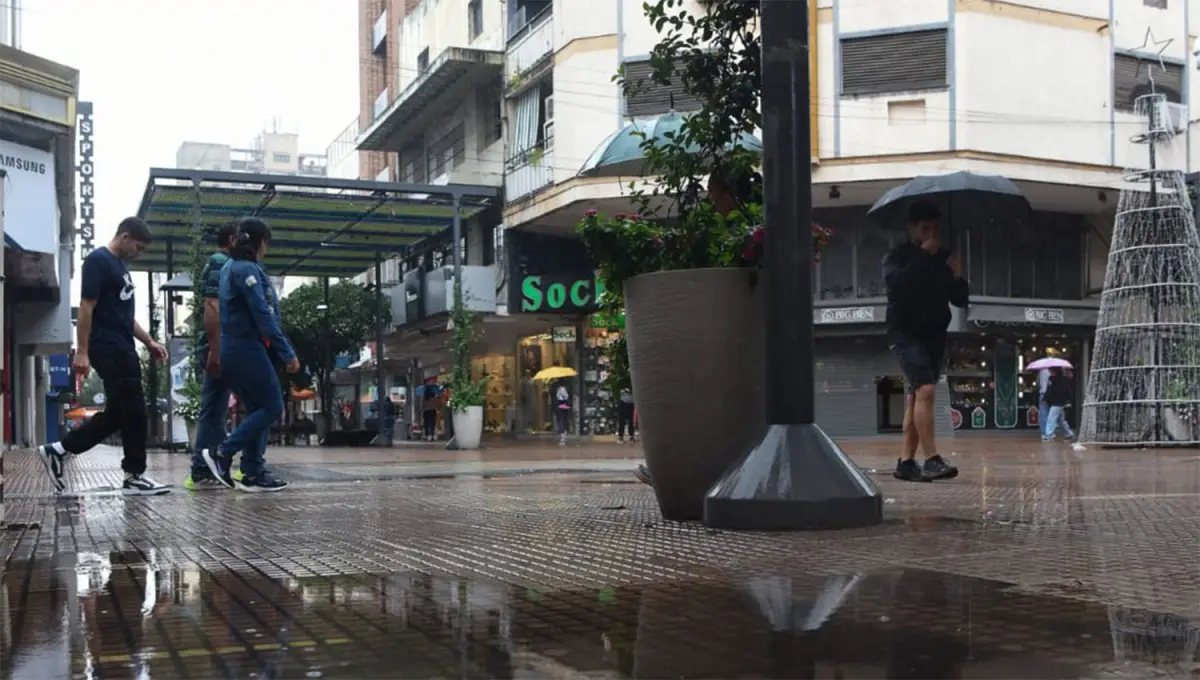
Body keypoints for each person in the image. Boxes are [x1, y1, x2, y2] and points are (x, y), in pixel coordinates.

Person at [635, 168, 758, 486]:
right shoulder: (732, 229)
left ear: (729, 193)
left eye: (715, 194)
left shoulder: (740, 232)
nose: (711, 201)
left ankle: (683, 469)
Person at [37, 218, 170, 495]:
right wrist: (82, 351)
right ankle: (131, 474)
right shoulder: (98, 261)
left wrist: (150, 342)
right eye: (138, 247)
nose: (139, 253)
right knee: (132, 411)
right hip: (107, 347)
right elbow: (86, 307)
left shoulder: (122, 268)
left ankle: (62, 450)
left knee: (125, 412)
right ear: (124, 236)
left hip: (123, 346)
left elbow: (126, 317)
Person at [200, 218, 299, 492]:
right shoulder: (245, 270)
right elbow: (264, 317)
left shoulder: (234, 267)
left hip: (239, 348)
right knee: (272, 406)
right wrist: (288, 354)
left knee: (259, 408)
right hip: (245, 348)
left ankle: (253, 471)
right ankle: (222, 453)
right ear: (260, 242)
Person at [883, 200, 968, 483]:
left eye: (936, 229)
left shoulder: (943, 258)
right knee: (926, 389)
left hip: (934, 335)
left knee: (917, 397)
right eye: (925, 228)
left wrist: (957, 276)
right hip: (905, 333)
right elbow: (897, 285)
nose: (932, 234)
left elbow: (959, 299)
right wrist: (922, 255)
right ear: (912, 229)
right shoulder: (897, 256)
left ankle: (906, 463)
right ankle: (931, 460)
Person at [185, 222, 243, 490]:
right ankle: (205, 467)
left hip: (217, 345)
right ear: (232, 239)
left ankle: (208, 467)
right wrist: (216, 351)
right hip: (217, 346)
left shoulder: (221, 263)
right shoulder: (221, 262)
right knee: (214, 409)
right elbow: (212, 306)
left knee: (216, 408)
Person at [1042, 368, 1076, 441]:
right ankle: (1069, 434)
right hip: (1058, 402)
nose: (1050, 372)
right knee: (1060, 420)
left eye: (1052, 371)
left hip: (1058, 402)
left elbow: (1050, 390)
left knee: (1051, 418)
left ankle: (1049, 435)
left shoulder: (1057, 380)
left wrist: (1045, 399)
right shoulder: (1056, 379)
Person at [553, 378, 572, 446]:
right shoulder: (568, 385)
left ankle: (562, 438)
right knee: (565, 420)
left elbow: (552, 394)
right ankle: (565, 436)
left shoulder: (554, 385)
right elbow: (570, 394)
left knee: (560, 421)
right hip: (566, 405)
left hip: (558, 405)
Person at [1037, 367, 1051, 438]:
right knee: (1048, 414)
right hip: (1047, 394)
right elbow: (1050, 383)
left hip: (1041, 393)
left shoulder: (1040, 371)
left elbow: (1038, 383)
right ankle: (1047, 433)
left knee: (1042, 414)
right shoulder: (1049, 372)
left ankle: (1043, 432)